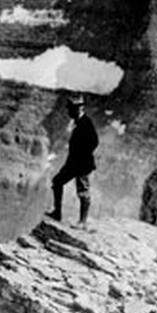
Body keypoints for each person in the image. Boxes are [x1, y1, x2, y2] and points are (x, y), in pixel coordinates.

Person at [47, 95, 99, 227]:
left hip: (82, 164)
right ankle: (57, 213)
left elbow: (94, 142)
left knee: (83, 191)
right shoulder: (78, 122)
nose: (68, 112)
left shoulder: (86, 123)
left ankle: (83, 222)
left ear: (79, 109)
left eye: (71, 109)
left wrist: (82, 156)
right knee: (57, 182)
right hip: (73, 163)